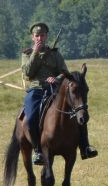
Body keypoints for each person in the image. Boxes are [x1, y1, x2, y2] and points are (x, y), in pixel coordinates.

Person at [21, 22, 97, 165]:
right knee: (30, 117)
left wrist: (55, 78)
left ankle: (85, 146)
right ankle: (38, 150)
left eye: (42, 35)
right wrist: (35, 53)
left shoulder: (55, 53)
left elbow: (64, 72)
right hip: (36, 89)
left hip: (54, 89)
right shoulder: (27, 54)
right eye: (37, 36)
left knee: (78, 111)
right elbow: (27, 73)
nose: (40, 38)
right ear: (33, 37)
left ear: (46, 36)